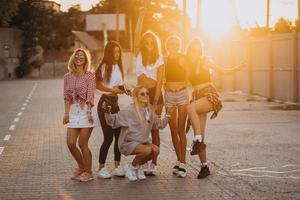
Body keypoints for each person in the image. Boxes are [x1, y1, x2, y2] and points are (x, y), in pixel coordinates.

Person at [186, 38, 244, 179]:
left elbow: (223, 71)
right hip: (197, 97)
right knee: (201, 134)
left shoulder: (205, 61)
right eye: (194, 50)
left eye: (199, 50)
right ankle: (205, 166)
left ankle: (197, 139)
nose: (196, 52)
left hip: (208, 96)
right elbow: (183, 81)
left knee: (190, 108)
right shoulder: (188, 65)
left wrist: (237, 68)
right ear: (190, 51)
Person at [104, 86, 169, 181]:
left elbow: (159, 125)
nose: (146, 95)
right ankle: (131, 167)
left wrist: (168, 115)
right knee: (147, 150)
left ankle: (137, 167)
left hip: (142, 143)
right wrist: (107, 111)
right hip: (127, 143)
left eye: (147, 93)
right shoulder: (129, 110)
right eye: (142, 94)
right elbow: (113, 121)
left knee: (156, 150)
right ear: (136, 96)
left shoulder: (150, 110)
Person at [133, 7, 164, 175]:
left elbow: (160, 82)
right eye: (147, 42)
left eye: (152, 42)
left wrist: (156, 101)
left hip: (154, 95)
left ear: (155, 43)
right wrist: (141, 15)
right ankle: (143, 161)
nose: (149, 45)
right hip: (140, 96)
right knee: (141, 130)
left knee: (154, 130)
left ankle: (154, 163)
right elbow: (137, 34)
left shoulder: (159, 58)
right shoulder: (139, 54)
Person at [63, 48, 96, 182]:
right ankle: (81, 167)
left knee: (83, 143)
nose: (79, 58)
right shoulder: (67, 76)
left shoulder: (90, 76)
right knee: (70, 143)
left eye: (82, 56)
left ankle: (88, 172)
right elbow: (66, 96)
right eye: (77, 56)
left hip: (85, 112)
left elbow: (91, 95)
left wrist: (88, 112)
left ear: (85, 59)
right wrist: (66, 113)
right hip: (73, 112)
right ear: (73, 58)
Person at [95, 41, 126, 179]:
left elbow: (120, 86)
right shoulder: (103, 67)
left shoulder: (118, 67)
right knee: (108, 138)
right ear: (108, 53)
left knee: (119, 137)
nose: (117, 54)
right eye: (114, 52)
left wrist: (127, 90)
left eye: (118, 52)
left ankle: (118, 167)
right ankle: (101, 168)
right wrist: (112, 90)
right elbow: (99, 86)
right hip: (105, 104)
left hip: (115, 104)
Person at [163, 35, 189, 178]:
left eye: (176, 43)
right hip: (169, 96)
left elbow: (188, 77)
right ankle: (179, 160)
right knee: (173, 130)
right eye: (171, 44)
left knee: (181, 129)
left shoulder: (183, 58)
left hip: (182, 95)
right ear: (168, 45)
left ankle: (184, 163)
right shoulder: (164, 59)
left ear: (179, 45)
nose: (173, 46)